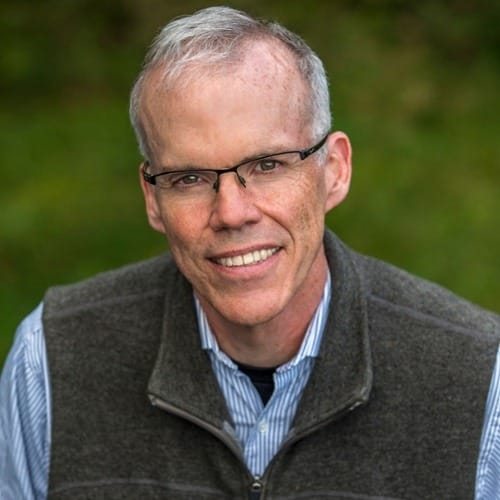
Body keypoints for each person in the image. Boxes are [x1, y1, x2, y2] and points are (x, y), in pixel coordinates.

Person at [1, 6, 499, 500]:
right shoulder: (52, 360)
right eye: (189, 178)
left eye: (266, 165)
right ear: (153, 198)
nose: (233, 212)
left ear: (334, 170)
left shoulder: (477, 379)